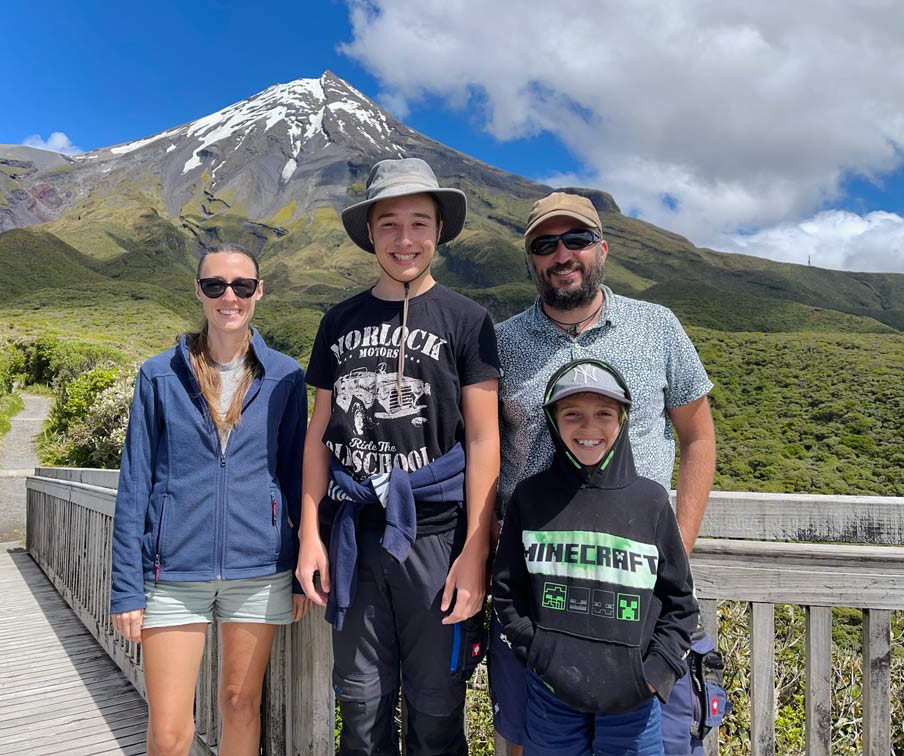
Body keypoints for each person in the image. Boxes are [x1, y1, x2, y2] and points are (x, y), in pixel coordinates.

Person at [490, 192, 717, 756]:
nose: (562, 255)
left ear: (603, 249)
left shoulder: (657, 327)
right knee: (523, 741)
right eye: (545, 245)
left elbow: (698, 437)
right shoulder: (501, 342)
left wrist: (676, 552)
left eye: (577, 241)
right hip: (534, 591)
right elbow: (481, 449)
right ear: (530, 260)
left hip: (632, 599)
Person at [295, 157, 501, 756]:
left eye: (419, 223)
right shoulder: (339, 322)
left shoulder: (468, 321)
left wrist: (474, 551)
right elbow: (320, 435)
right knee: (360, 711)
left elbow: (484, 439)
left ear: (439, 231)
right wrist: (310, 532)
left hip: (437, 541)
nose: (404, 239)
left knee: (438, 713)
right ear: (370, 234)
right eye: (389, 224)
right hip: (353, 540)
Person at [110, 244, 309, 756]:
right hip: (173, 575)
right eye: (216, 285)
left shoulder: (285, 376)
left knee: (241, 704)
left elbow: (294, 478)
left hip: (260, 572)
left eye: (242, 286)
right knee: (171, 730)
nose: (230, 296)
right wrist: (126, 589)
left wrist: (298, 570)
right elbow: (134, 483)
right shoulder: (158, 374)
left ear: (258, 292)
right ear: (199, 291)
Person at [492, 358, 699, 755]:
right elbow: (507, 590)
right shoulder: (531, 499)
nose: (588, 428)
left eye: (604, 413)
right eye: (572, 414)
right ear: (553, 420)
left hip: (634, 704)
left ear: (622, 419)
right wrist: (540, 654)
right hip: (551, 697)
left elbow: (680, 604)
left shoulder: (651, 502)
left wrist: (652, 676)